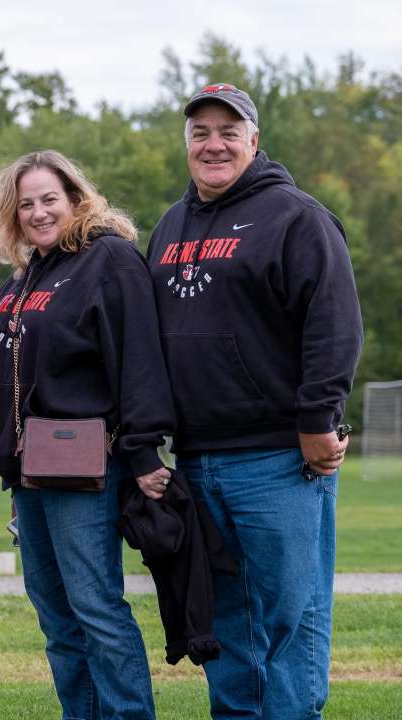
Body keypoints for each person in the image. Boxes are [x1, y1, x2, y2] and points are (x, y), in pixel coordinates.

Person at [146, 83, 363, 719]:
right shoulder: (170, 225)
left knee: (289, 617)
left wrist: (318, 419)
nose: (213, 144)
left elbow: (335, 322)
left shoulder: (296, 216)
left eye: (228, 131)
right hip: (197, 457)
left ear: (253, 140)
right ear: (187, 142)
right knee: (225, 620)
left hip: (276, 460)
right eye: (200, 133)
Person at [0, 150, 176, 720]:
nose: (39, 213)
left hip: (87, 466)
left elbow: (137, 356)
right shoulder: (23, 278)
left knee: (95, 608)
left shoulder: (108, 259)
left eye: (50, 200)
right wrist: (12, 471)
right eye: (26, 204)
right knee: (56, 616)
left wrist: (142, 451)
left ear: (75, 199)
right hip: (33, 473)